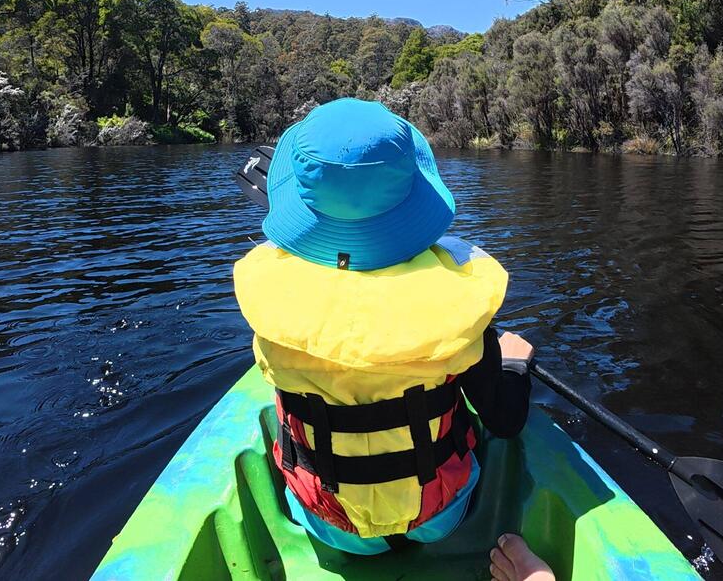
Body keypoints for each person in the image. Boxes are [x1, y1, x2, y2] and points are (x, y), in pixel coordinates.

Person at [232, 97, 543, 561]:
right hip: (439, 515)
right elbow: (505, 421)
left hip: (329, 522)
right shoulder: (457, 301)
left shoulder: (271, 295)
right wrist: (514, 364)